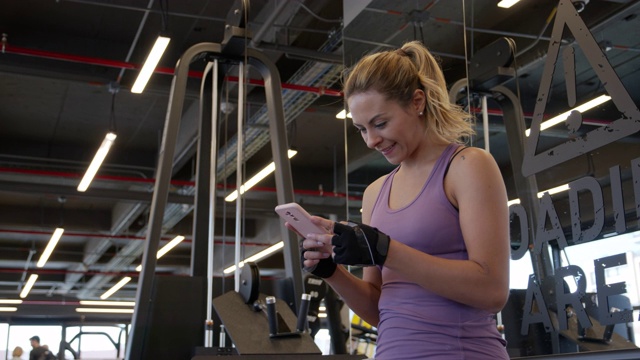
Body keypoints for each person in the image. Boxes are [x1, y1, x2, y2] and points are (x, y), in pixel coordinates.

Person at [296, 41, 510, 359]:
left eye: (380, 124)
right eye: (361, 129)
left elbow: (492, 291)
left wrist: (384, 249)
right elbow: (379, 308)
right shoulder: (375, 192)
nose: (371, 140)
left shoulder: (467, 166)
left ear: (416, 102)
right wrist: (332, 271)